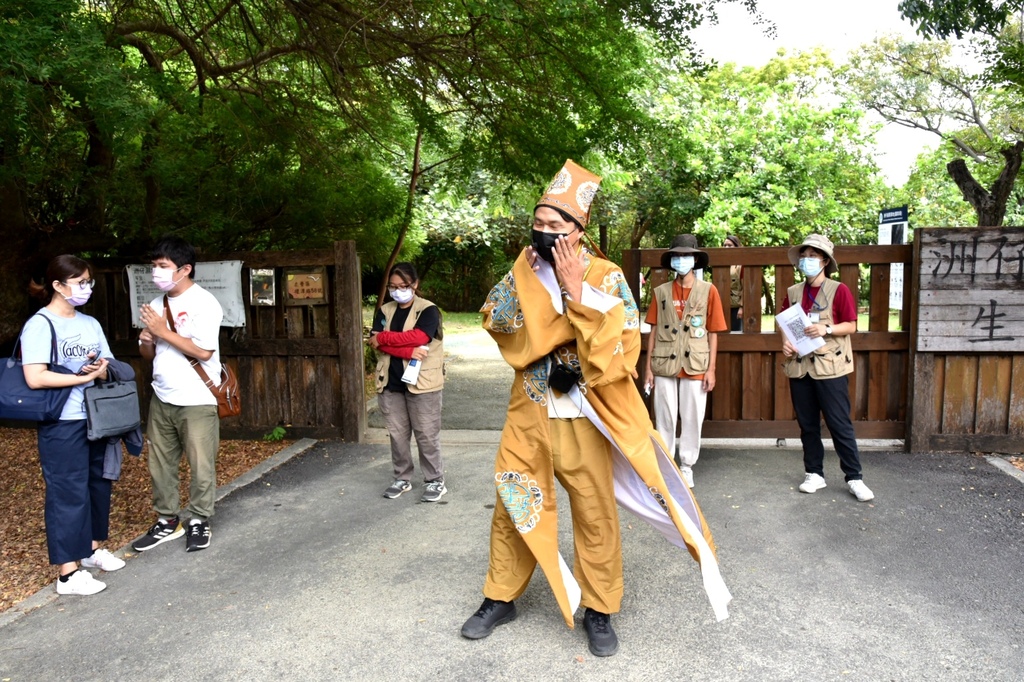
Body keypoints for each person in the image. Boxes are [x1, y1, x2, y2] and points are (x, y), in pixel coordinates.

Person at [461, 160, 731, 657]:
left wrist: (572, 292)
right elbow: (496, 319)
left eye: (555, 227)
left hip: (586, 412)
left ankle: (601, 608)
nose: (544, 234)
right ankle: (500, 596)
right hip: (532, 409)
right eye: (538, 225)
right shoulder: (521, 269)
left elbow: (623, 346)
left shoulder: (605, 276)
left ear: (578, 233)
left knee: (594, 510)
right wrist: (546, 319)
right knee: (513, 501)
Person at [22, 254, 125, 596]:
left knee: (97, 483)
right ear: (57, 285)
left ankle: (92, 549)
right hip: (61, 422)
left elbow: (106, 361)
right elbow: (35, 377)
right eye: (80, 282)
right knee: (68, 491)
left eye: (88, 282)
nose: (87, 288)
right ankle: (68, 573)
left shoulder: (90, 323)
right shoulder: (41, 324)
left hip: (95, 418)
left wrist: (97, 368)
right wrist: (80, 378)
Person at [133, 236, 224, 553]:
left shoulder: (204, 303)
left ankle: (199, 519)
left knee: (201, 465)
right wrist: (147, 340)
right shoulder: (158, 305)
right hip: (162, 396)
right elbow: (150, 355)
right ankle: (167, 520)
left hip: (197, 399)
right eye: (154, 266)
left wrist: (162, 332)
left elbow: (204, 351)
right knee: (160, 464)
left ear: (185, 269)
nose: (156, 272)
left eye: (163, 266)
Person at [779, 233, 874, 503]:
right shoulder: (794, 292)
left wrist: (826, 327)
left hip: (831, 366)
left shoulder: (838, 289)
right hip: (800, 367)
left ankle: (854, 477)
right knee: (807, 424)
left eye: (812, 256)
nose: (806, 260)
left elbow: (851, 325)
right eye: (804, 256)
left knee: (839, 423)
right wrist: (786, 344)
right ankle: (814, 473)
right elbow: (786, 324)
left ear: (824, 261)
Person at [642, 235, 727, 489]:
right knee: (665, 416)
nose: (681, 260)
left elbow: (713, 332)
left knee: (692, 417)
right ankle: (666, 466)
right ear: (671, 260)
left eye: (686, 256)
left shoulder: (708, 290)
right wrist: (648, 369)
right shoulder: (661, 292)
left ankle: (687, 466)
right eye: (677, 256)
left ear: (695, 259)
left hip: (696, 363)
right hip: (664, 363)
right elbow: (654, 331)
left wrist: (711, 369)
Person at [369, 262, 447, 503]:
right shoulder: (384, 310)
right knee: (397, 434)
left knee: (426, 433)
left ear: (415, 284)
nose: (397, 290)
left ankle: (435, 481)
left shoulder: (428, 310)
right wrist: (407, 351)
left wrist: (384, 338)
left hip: (422, 382)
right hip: (390, 381)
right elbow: (374, 342)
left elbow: (420, 337)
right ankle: (402, 477)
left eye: (403, 286)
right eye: (392, 286)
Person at [723, 234, 743, 331]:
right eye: (725, 245)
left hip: (737, 306)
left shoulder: (741, 265)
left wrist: (742, 307)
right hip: (724, 305)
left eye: (730, 245)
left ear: (736, 247)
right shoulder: (721, 264)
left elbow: (746, 287)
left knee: (737, 335)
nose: (726, 248)